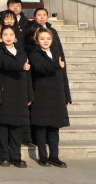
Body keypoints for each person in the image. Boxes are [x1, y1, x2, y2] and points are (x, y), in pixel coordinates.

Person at [28, 29, 71, 167]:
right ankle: (43, 157)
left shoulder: (57, 53)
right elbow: (41, 68)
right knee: (41, 128)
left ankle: (54, 156)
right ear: (37, 40)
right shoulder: (34, 54)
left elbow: (63, 76)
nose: (45, 41)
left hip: (57, 95)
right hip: (42, 95)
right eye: (42, 38)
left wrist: (67, 95)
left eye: (48, 38)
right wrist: (56, 65)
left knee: (54, 129)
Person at [0, 26, 33, 168]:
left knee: (16, 128)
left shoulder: (22, 52)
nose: (8, 37)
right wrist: (21, 66)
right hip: (4, 93)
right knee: (3, 128)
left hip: (19, 94)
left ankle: (16, 156)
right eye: (5, 34)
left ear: (15, 37)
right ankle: (3, 156)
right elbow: (6, 64)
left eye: (11, 34)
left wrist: (29, 95)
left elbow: (27, 75)